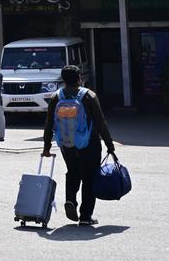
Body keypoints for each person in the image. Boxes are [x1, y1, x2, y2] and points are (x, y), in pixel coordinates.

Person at [42, 65, 116, 226]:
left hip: (67, 144)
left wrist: (46, 146)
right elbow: (101, 122)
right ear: (79, 78)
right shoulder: (88, 95)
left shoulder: (57, 97)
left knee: (73, 172)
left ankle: (70, 201)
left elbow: (49, 123)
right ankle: (85, 216)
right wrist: (110, 145)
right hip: (89, 143)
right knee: (89, 178)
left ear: (63, 79)